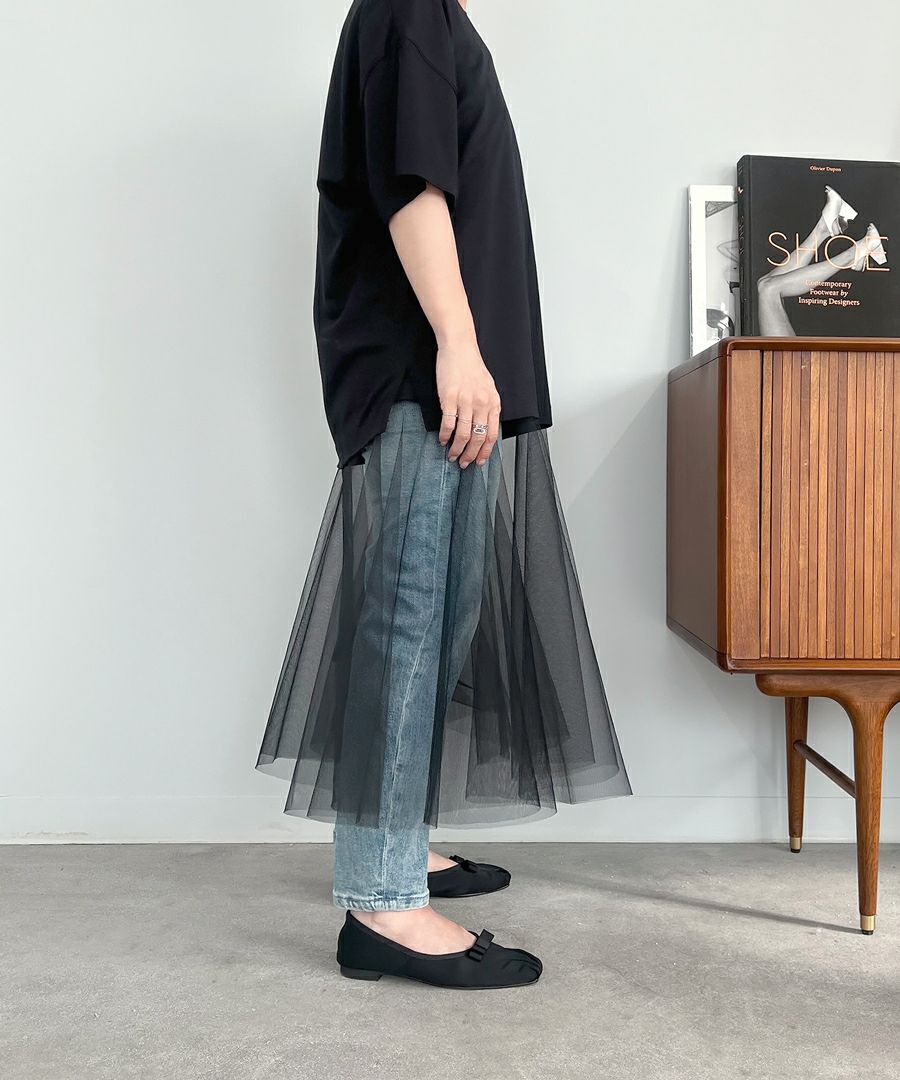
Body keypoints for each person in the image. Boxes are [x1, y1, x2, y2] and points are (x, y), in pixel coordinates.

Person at [256, 0, 632, 990]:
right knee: (409, 623)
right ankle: (381, 903)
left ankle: (398, 848)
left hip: (452, 377)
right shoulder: (409, 5)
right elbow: (413, 189)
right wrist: (459, 346)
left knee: (441, 618)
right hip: (423, 371)